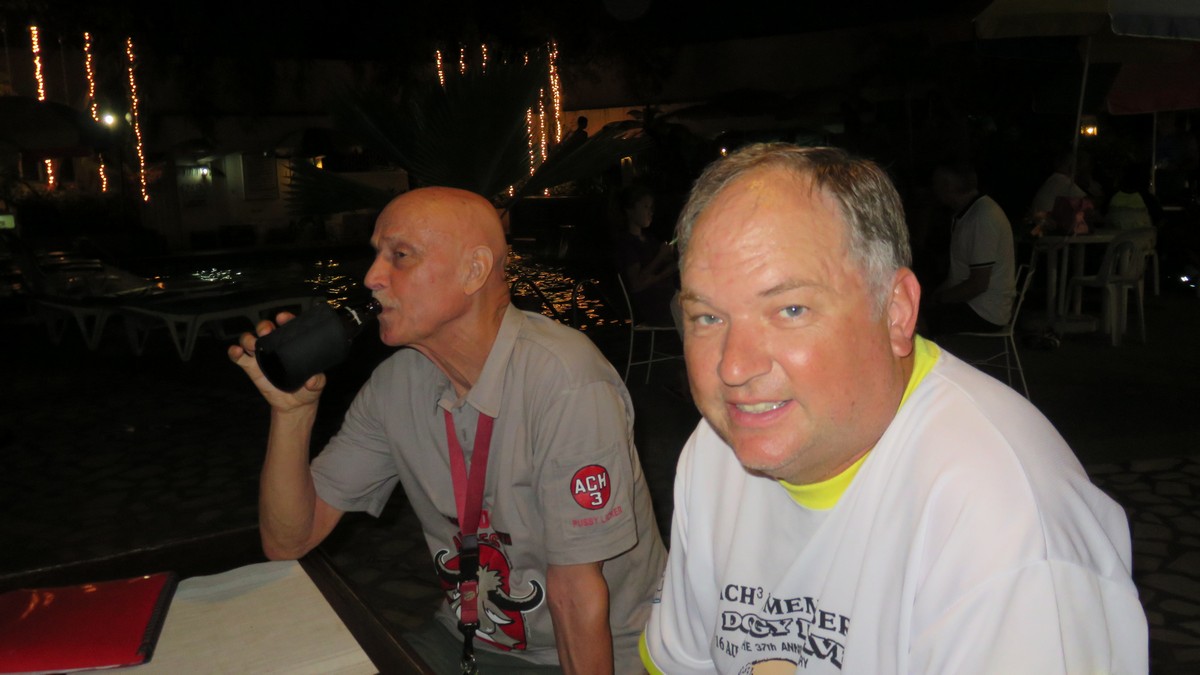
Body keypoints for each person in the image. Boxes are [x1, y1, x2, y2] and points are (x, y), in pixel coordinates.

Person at [640, 143, 1147, 673]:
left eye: (790, 309)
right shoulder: (717, 448)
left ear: (896, 311)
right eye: (707, 318)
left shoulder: (1005, 528)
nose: (733, 368)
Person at [230, 186, 666, 674]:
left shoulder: (565, 382)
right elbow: (289, 540)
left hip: (603, 647)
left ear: (474, 270)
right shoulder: (395, 385)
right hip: (471, 639)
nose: (372, 277)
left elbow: (576, 595)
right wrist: (292, 416)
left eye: (400, 255)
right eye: (377, 255)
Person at [922, 161, 1016, 336]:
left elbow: (978, 284)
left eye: (936, 183)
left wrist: (938, 299)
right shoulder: (970, 213)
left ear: (947, 185)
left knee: (915, 321)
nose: (933, 188)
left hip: (985, 311)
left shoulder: (982, 217)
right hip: (978, 304)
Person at [612, 184, 682, 332]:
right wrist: (661, 259)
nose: (650, 212)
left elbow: (668, 264)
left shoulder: (650, 239)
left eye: (651, 208)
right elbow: (636, 284)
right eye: (645, 207)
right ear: (630, 210)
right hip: (656, 307)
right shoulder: (626, 243)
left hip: (670, 298)